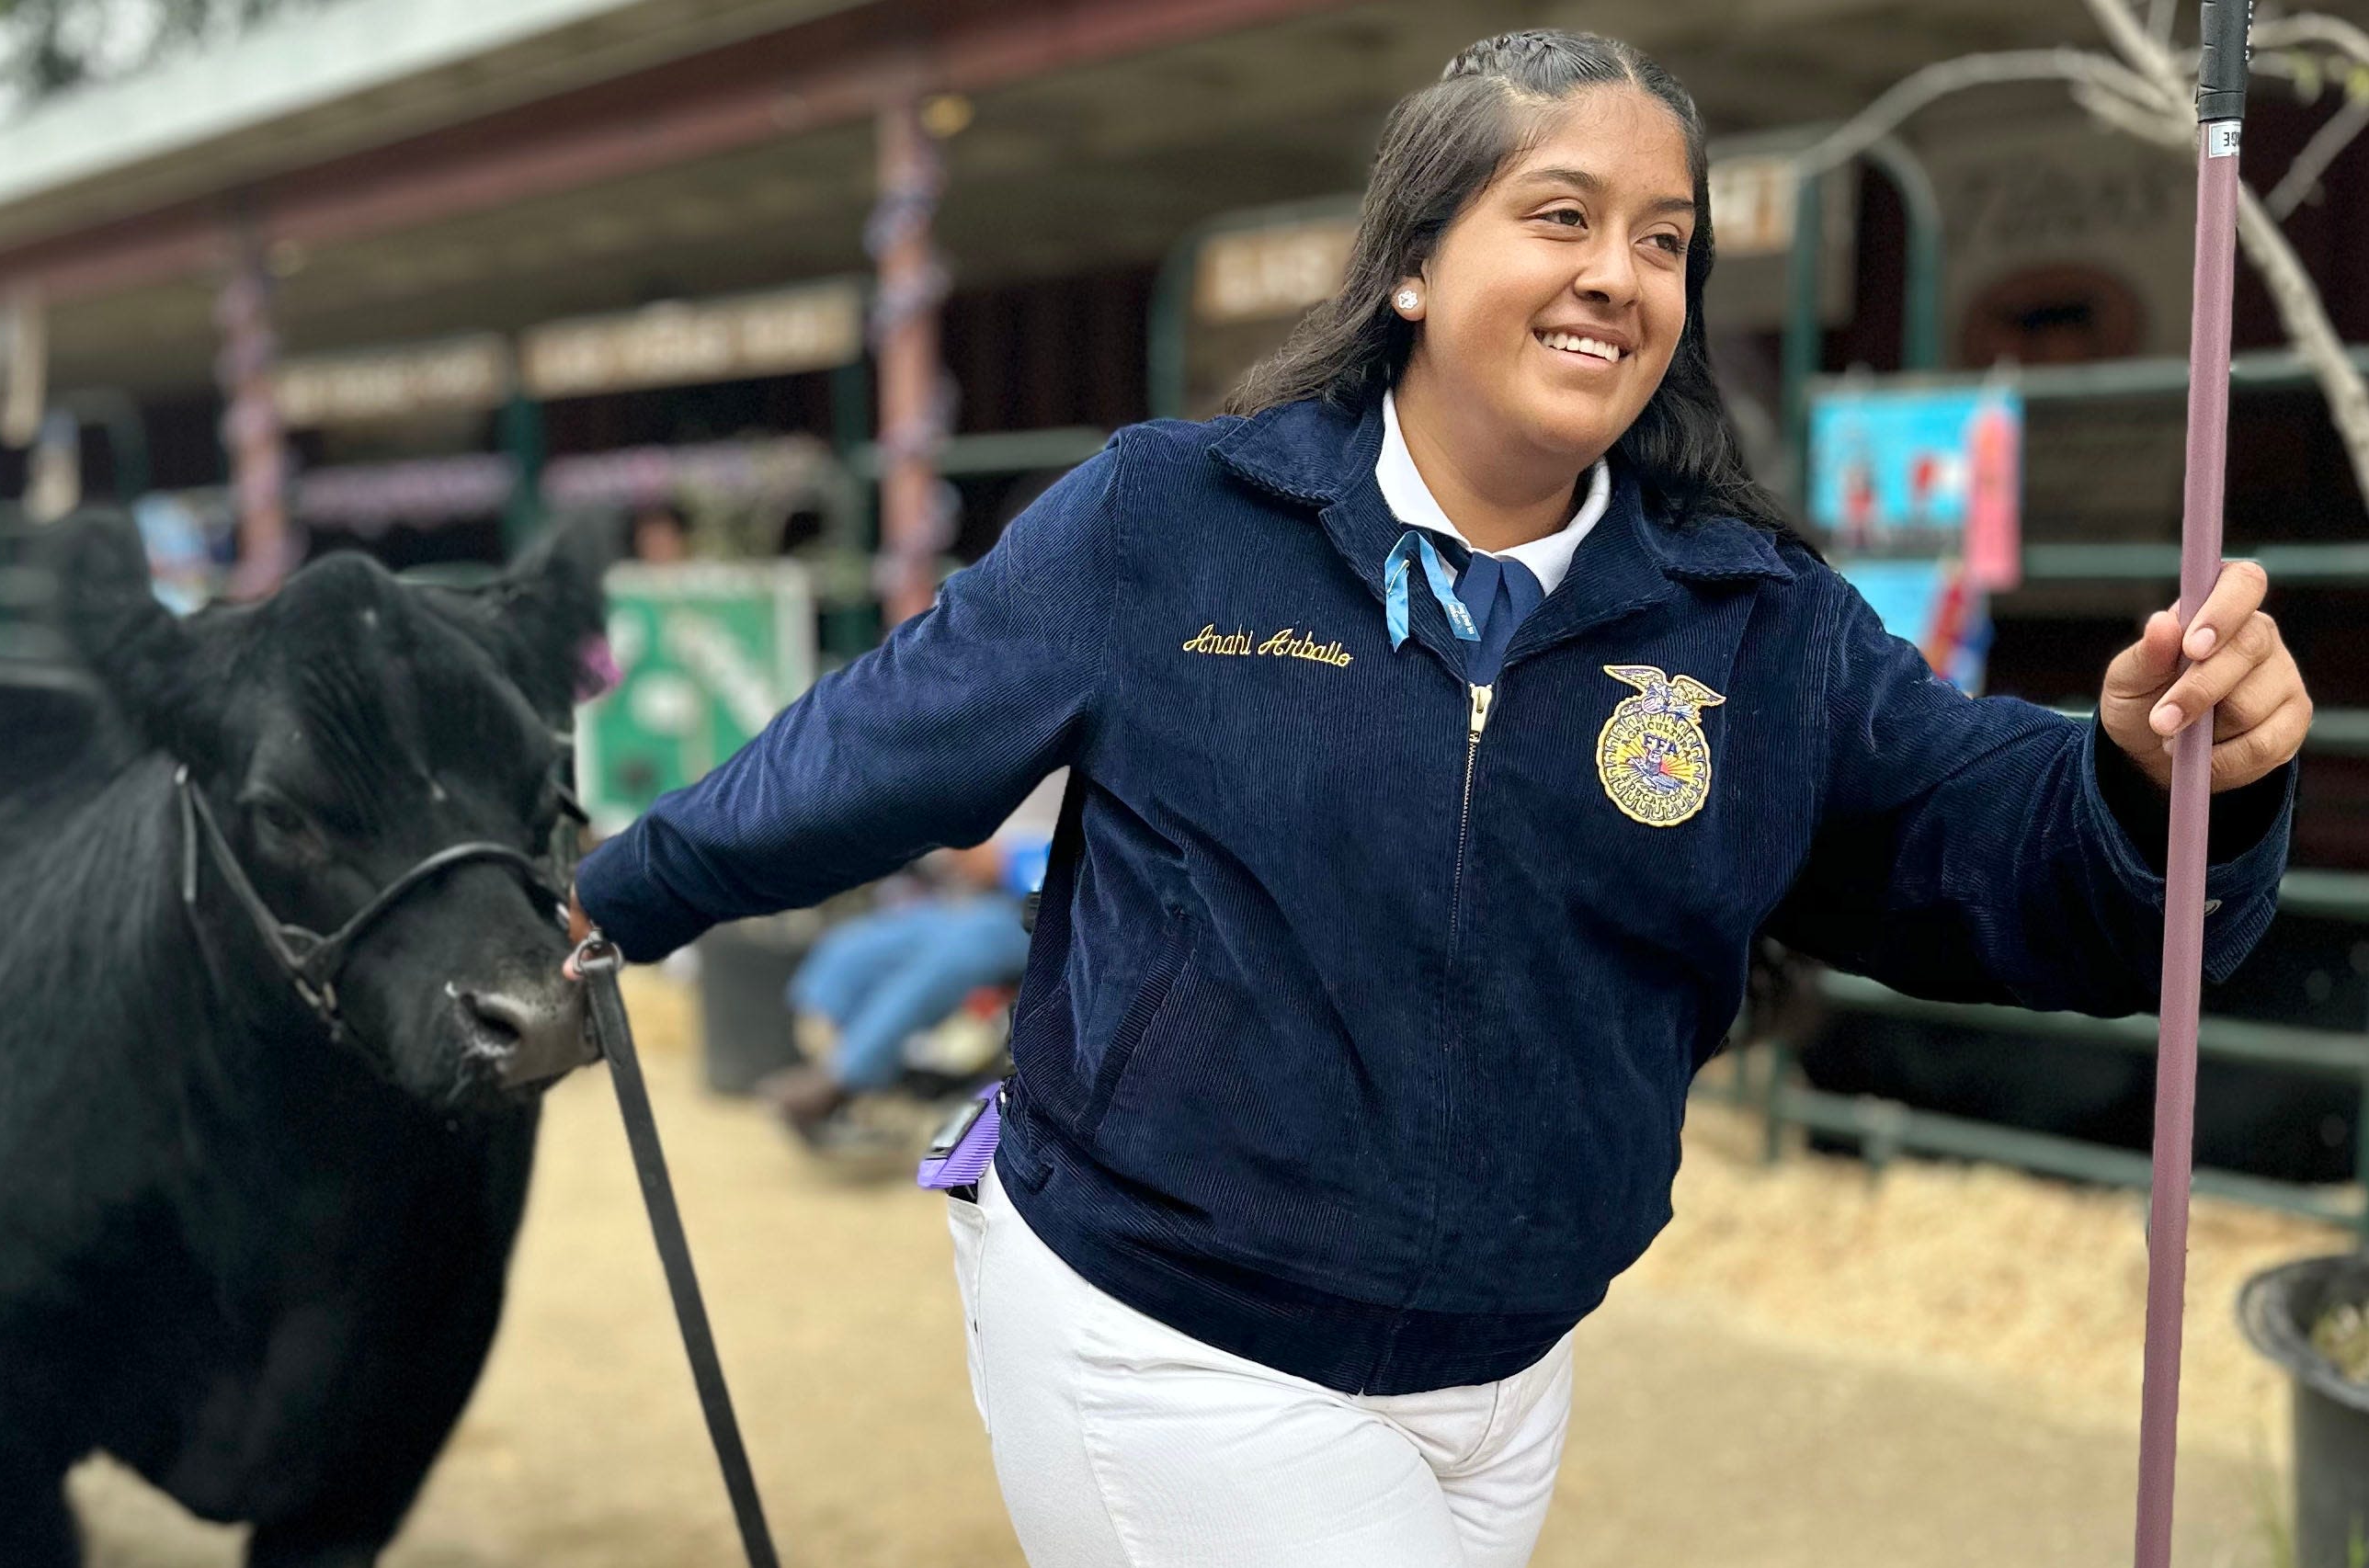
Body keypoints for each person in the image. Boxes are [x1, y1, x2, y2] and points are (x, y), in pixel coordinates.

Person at [572, 29, 2310, 1567]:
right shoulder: (1167, 522)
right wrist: (620, 891)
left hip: (1502, 1363)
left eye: (1661, 241)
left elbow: (1970, 838)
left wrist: (2155, 776)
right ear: (1410, 265)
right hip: (1166, 1334)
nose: (1615, 276)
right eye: (1557, 217)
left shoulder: (1746, 619)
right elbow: (877, 742)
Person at [762, 775, 1061, 1139]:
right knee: (853, 948)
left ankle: (843, 1080)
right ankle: (872, 1089)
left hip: (1049, 913)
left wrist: (1009, 862)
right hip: (971, 898)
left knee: (959, 950)